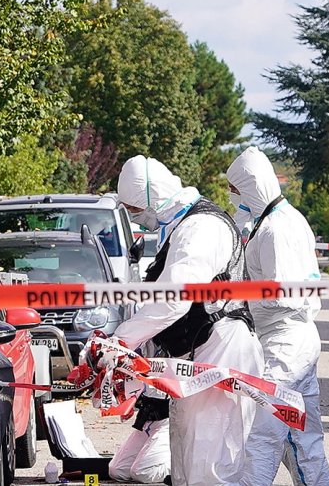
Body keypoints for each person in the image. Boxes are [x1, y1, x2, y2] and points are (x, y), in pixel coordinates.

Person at [112, 155, 263, 486]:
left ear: (151, 198)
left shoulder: (200, 228)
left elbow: (173, 299)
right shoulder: (180, 226)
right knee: (186, 462)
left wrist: (120, 340)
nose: (136, 218)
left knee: (208, 466)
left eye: (135, 210)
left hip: (220, 351)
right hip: (199, 353)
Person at [227, 146, 329, 486]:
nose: (232, 198)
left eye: (235, 190)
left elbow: (284, 294)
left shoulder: (275, 229)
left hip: (284, 345)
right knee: (302, 440)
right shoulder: (283, 220)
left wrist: (239, 297)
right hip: (294, 341)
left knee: (262, 434)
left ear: (251, 187)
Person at [109, 385, 171, 483]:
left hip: (170, 423)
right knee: (117, 471)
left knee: (143, 473)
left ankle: (183, 467)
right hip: (147, 420)